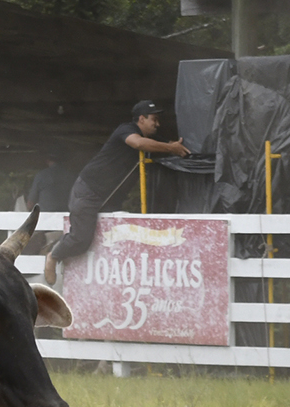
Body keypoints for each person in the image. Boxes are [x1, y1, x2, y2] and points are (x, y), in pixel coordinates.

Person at [44, 100, 189, 285]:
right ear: (141, 119)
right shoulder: (126, 130)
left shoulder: (152, 139)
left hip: (109, 197)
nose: (157, 124)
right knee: (81, 239)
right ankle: (53, 255)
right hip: (89, 190)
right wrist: (171, 148)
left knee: (111, 236)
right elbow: (138, 143)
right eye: (154, 119)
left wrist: (175, 146)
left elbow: (164, 144)